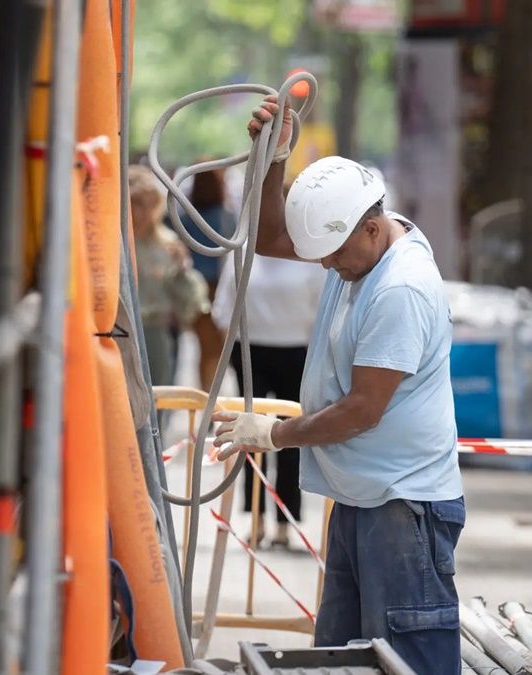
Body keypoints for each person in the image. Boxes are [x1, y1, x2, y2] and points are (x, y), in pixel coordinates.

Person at [211, 96, 464, 674]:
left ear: (371, 228)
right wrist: (276, 157)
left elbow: (363, 410)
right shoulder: (363, 251)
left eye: (332, 254)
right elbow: (271, 236)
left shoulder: (400, 289)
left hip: (404, 505)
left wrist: (274, 435)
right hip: (364, 499)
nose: (324, 266)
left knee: (409, 659)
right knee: (341, 659)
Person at [212, 251, 325, 548]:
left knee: (290, 437)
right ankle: (256, 518)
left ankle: (284, 522)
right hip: (250, 351)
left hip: (297, 351)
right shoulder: (245, 247)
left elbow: (322, 307)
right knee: (249, 435)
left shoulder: (306, 253)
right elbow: (223, 306)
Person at [126, 165, 210, 386]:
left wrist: (182, 270)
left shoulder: (167, 243)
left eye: (145, 204)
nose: (138, 212)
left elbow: (190, 299)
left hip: (157, 331)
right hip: (121, 329)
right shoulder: (116, 241)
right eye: (133, 203)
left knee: (159, 397)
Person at [177, 165, 234, 391]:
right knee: (220, 349)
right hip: (222, 288)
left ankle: (206, 396)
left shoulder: (184, 217)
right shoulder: (227, 215)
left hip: (194, 290)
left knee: (205, 349)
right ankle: (214, 400)